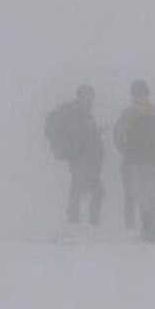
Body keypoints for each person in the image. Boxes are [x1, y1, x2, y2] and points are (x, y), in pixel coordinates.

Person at [114, 80, 155, 242]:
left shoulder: (128, 114)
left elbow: (118, 137)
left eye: (140, 94)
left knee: (144, 193)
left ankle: (148, 227)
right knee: (151, 193)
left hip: (140, 160)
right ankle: (153, 226)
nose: (139, 97)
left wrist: (128, 151)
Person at [44, 85, 105, 225]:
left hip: (86, 159)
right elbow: (78, 135)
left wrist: (95, 133)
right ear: (80, 96)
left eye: (90, 95)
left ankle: (77, 220)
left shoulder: (85, 114)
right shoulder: (77, 113)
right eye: (86, 95)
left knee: (83, 189)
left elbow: (84, 135)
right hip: (80, 158)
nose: (89, 98)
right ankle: (85, 222)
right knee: (92, 190)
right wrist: (91, 135)